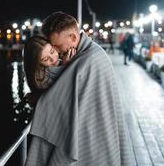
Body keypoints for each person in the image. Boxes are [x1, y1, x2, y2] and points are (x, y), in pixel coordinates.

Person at [24, 12, 133, 166]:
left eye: (56, 46)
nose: (56, 52)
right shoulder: (87, 54)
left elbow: (56, 98)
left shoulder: (90, 60)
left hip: (94, 136)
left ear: (73, 38)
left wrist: (40, 99)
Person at [23, 35, 76, 106]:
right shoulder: (40, 79)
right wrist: (64, 67)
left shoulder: (64, 58)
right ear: (36, 63)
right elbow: (60, 93)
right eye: (45, 59)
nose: (53, 59)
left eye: (52, 51)